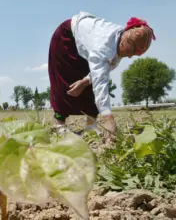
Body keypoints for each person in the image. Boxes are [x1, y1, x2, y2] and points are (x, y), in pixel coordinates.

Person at [47, 11, 156, 142]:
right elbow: (100, 81)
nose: (131, 56)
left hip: (86, 45)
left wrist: (86, 80)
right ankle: (59, 124)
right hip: (66, 39)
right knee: (65, 80)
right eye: (132, 51)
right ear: (125, 41)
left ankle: (90, 125)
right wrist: (108, 119)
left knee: (87, 85)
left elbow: (106, 67)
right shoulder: (103, 45)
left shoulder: (120, 39)